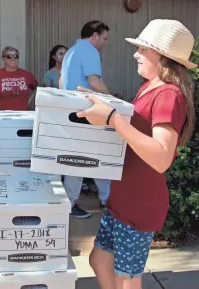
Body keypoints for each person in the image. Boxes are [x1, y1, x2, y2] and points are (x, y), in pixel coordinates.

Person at [77, 19, 196, 289]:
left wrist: (111, 118)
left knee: (127, 279)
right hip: (123, 197)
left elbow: (162, 158)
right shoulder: (148, 87)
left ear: (163, 56)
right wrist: (102, 104)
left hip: (139, 203)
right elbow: (134, 125)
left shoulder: (169, 94)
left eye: (143, 49)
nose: (135, 54)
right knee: (99, 259)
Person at [60, 20, 112, 218]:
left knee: (79, 159)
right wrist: (111, 99)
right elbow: (94, 80)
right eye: (104, 38)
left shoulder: (71, 52)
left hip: (72, 111)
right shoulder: (90, 51)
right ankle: (106, 201)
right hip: (88, 111)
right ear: (94, 36)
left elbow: (61, 82)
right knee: (97, 157)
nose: (105, 43)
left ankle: (76, 201)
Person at [0, 46, 38, 110]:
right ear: (3, 59)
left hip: (23, 113)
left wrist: (28, 102)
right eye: (9, 56)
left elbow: (36, 88)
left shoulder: (27, 74)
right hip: (1, 114)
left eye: (16, 56)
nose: (13, 59)